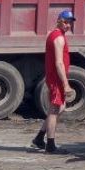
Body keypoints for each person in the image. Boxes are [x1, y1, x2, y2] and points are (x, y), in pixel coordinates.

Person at [31, 9, 74, 154]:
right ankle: (50, 145)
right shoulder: (58, 38)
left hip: (54, 78)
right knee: (55, 110)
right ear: (60, 20)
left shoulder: (54, 35)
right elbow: (59, 63)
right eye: (66, 22)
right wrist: (66, 84)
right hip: (56, 79)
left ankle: (39, 138)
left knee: (59, 108)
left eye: (70, 23)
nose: (68, 25)